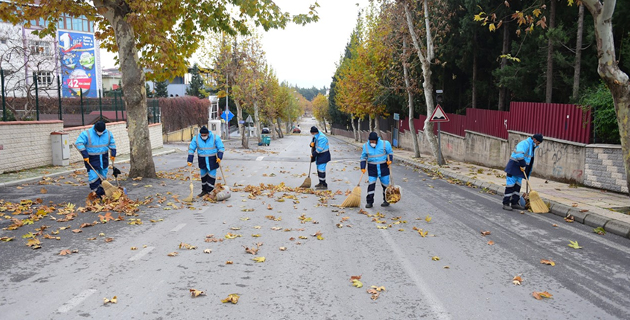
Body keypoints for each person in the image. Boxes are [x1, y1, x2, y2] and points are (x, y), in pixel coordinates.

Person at [503, 133, 543, 211]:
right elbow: (519, 155)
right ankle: (506, 203)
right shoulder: (525, 143)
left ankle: (514, 203)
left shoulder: (532, 146)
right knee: (510, 186)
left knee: (517, 186)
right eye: (538, 143)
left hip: (520, 169)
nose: (538, 144)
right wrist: (523, 164)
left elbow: (529, 160)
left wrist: (526, 172)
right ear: (534, 140)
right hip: (514, 167)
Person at [75, 121, 116, 196]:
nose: (100, 132)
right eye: (99, 131)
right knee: (93, 176)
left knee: (103, 175)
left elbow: (112, 143)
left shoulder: (108, 134)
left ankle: (103, 189)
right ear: (95, 129)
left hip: (104, 158)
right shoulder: (87, 134)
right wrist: (85, 155)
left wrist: (113, 153)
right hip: (91, 159)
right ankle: (97, 192)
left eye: (102, 131)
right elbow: (79, 143)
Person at [188, 126, 225, 197]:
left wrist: (219, 157)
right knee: (203, 176)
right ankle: (204, 191)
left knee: (211, 176)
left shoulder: (215, 138)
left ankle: (210, 191)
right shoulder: (196, 138)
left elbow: (221, 148)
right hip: (202, 160)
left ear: (208, 133)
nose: (203, 136)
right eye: (202, 135)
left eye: (205, 135)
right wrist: (190, 160)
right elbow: (191, 149)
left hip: (213, 160)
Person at [361, 132, 394, 208]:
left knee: (385, 185)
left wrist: (390, 160)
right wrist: (362, 167)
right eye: (371, 141)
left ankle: (386, 200)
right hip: (372, 168)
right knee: (371, 185)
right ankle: (369, 202)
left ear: (377, 140)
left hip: (384, 167)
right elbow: (363, 157)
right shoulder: (365, 146)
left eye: (373, 141)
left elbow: (390, 153)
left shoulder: (385, 144)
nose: (372, 143)